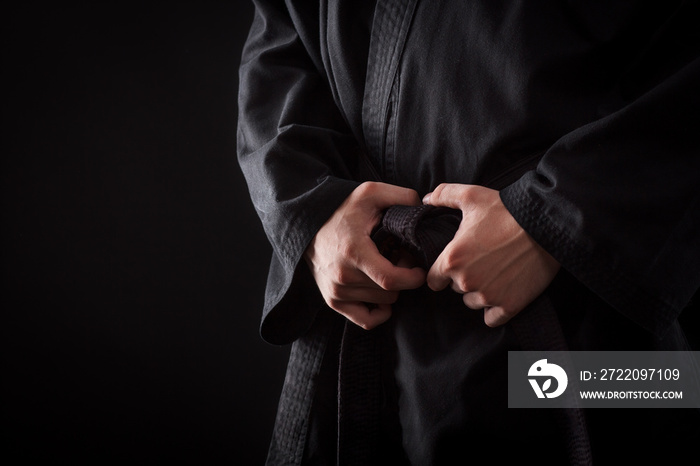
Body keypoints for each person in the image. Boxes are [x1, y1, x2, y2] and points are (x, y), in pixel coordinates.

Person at [237, 1, 700, 464]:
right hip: (366, 318)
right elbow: (280, 39)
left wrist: (552, 217)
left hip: (579, 313)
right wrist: (314, 214)